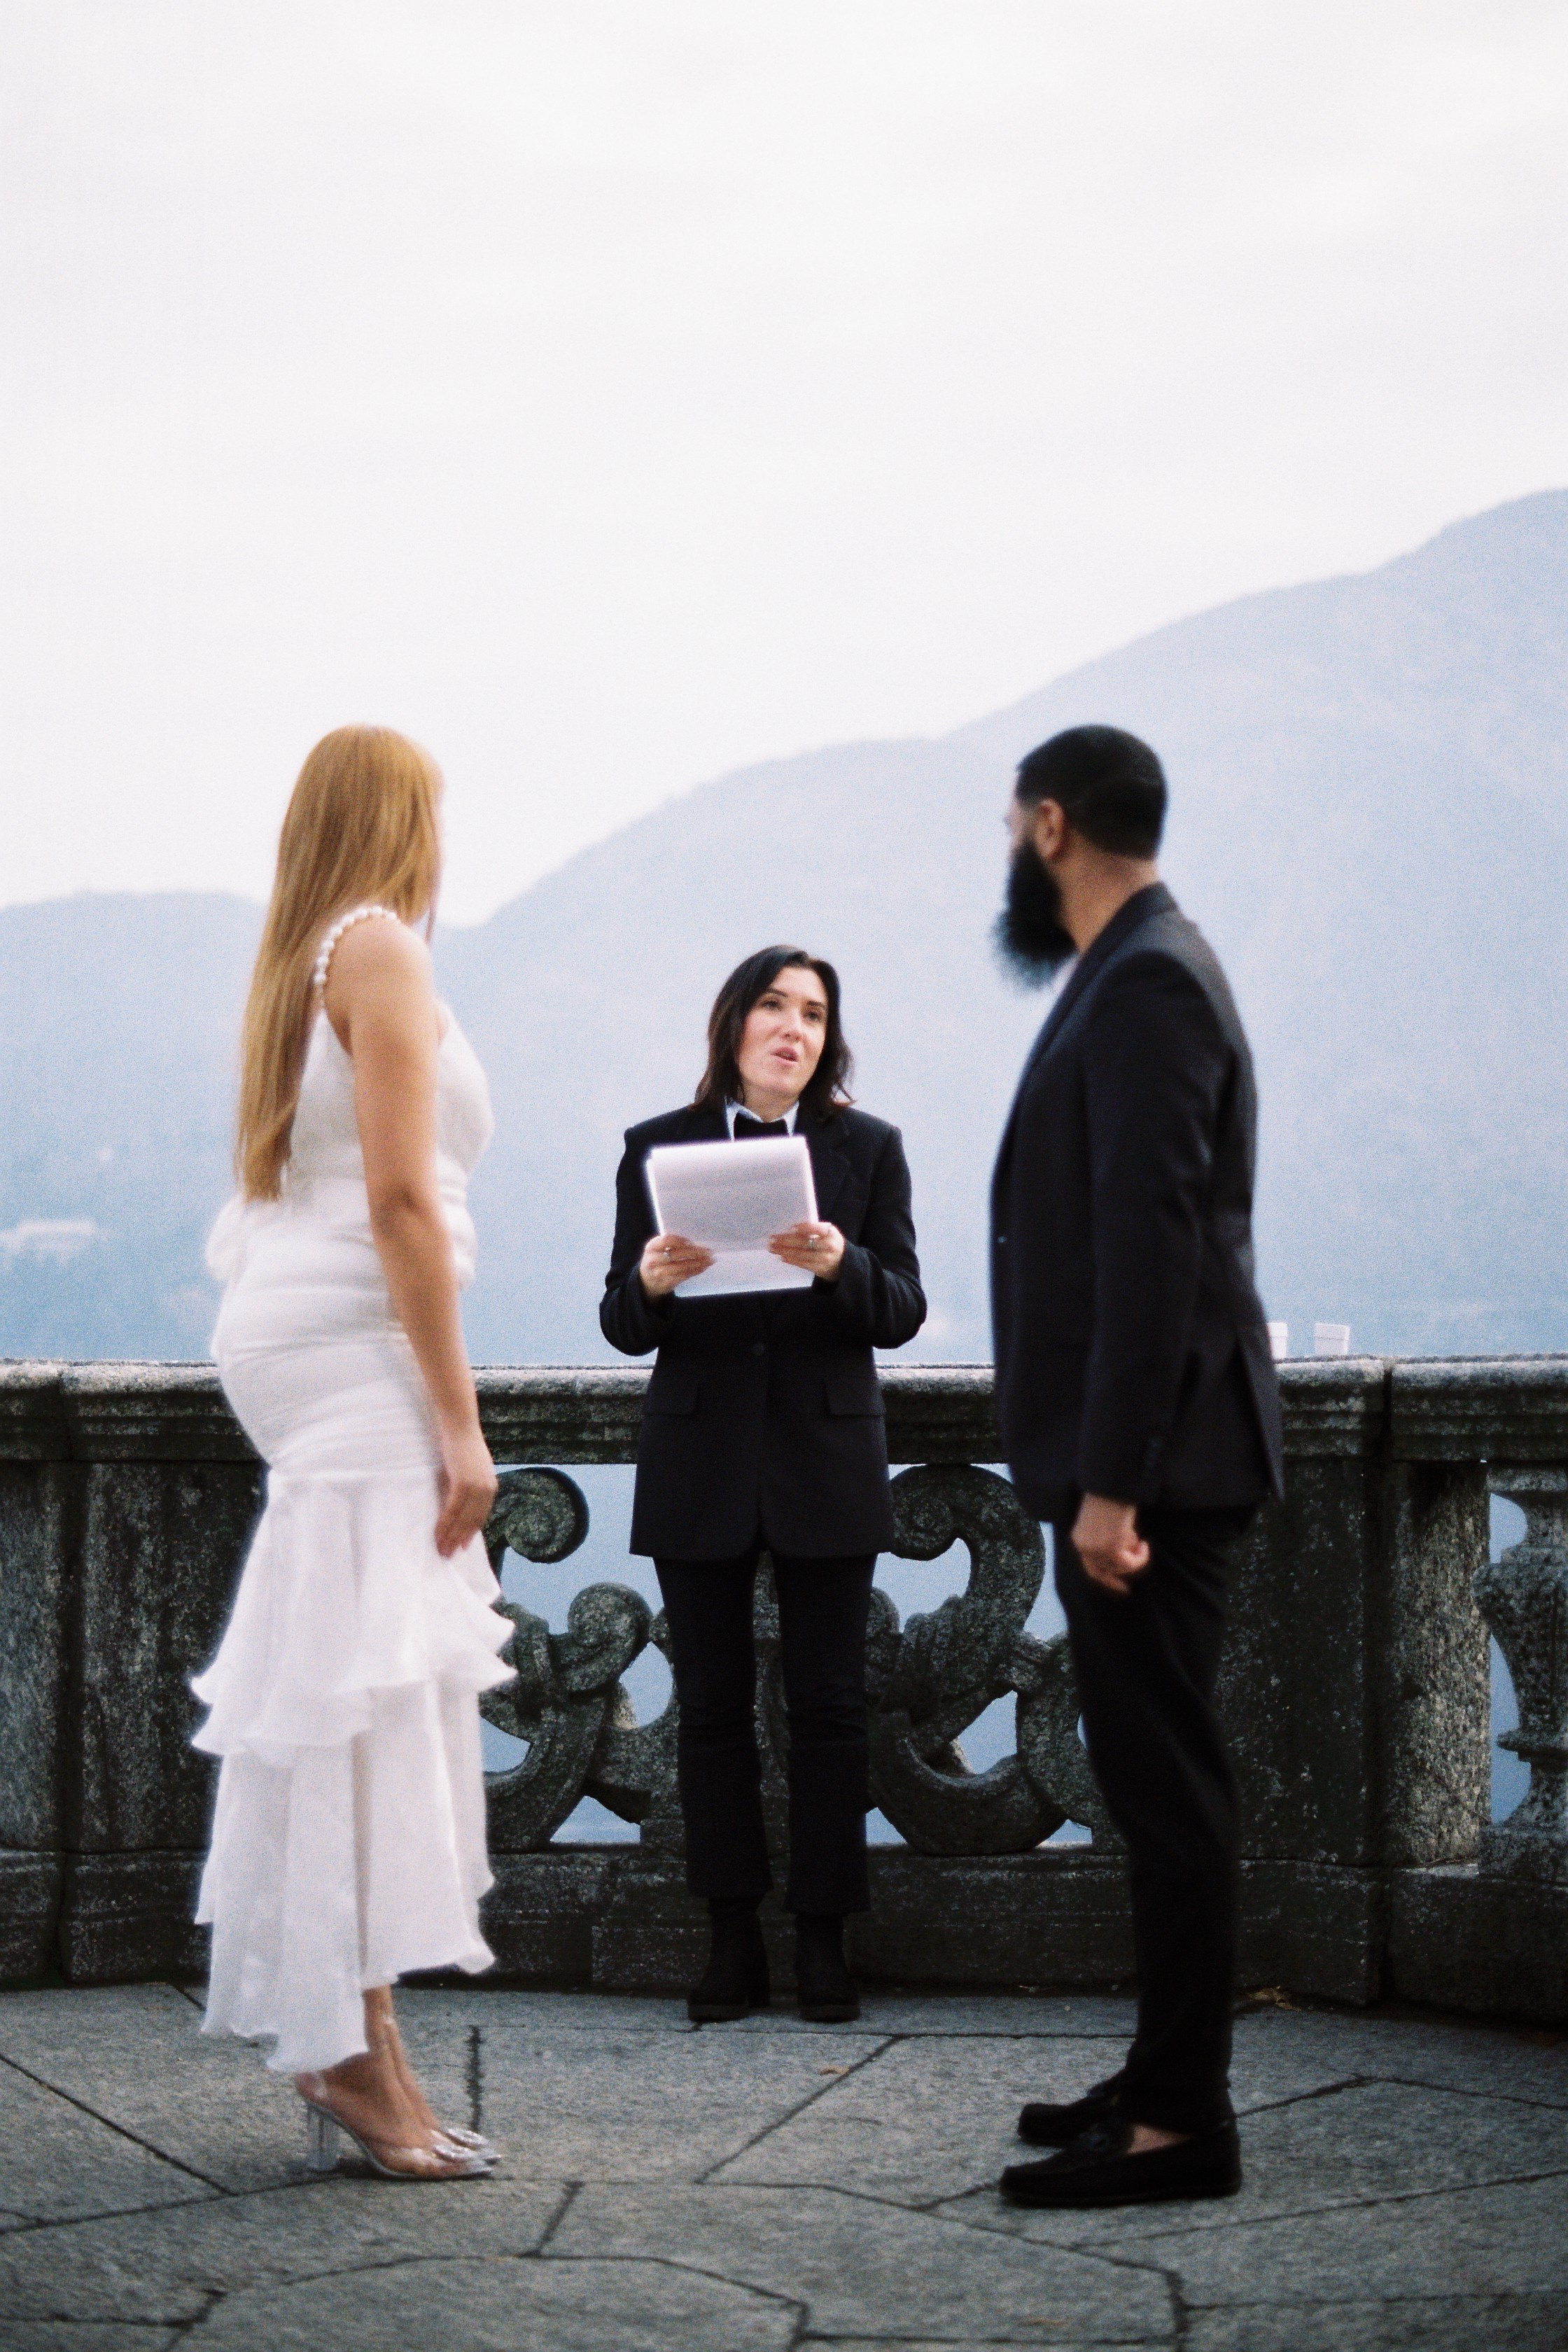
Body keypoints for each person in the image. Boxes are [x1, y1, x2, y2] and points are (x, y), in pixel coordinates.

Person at [192, 724, 512, 2180]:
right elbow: (399, 1204)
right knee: (368, 1701)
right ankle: (348, 2052)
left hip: (294, 1332)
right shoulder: (380, 950)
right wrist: (459, 1420)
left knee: (350, 1690)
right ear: (403, 823)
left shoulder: (301, 959)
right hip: (357, 1346)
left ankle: (359, 2042)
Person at [988, 724, 1283, 2209]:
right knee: (1151, 1781)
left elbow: (1152, 1248)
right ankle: (1157, 2074)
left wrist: (1111, 1484)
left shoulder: (1148, 975)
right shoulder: (1144, 964)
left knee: (1168, 1793)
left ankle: (1179, 2125)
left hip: (1157, 1472)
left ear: (1050, 825)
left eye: (1012, 827)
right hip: (1150, 1457)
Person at [601, 947, 925, 2023]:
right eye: (776, 1007)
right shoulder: (656, 1148)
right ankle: (729, 1940)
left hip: (824, 1454)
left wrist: (842, 1264)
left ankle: (826, 1943)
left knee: (832, 1708)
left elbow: (903, 1308)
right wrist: (648, 1284)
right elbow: (619, 1321)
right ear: (734, 1024)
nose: (796, 1027)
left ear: (830, 1042)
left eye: (817, 1014)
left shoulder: (869, 1149)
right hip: (700, 1454)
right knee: (709, 1712)